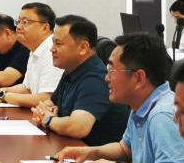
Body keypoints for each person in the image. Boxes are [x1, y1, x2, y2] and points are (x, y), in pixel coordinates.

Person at [54, 33, 184, 163]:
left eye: (112, 71)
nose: (106, 78)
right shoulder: (142, 104)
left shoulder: (163, 115)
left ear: (138, 78)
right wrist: (89, 152)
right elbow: (125, 150)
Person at [30, 15, 129, 145]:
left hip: (96, 154)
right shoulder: (71, 69)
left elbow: (77, 127)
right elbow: (50, 103)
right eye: (53, 42)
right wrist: (46, 111)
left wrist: (49, 120)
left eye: (58, 43)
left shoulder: (96, 79)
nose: (52, 49)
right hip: (70, 147)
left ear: (83, 48)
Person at [0, 3, 63, 107]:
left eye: (25, 22)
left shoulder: (52, 50)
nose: (19, 27)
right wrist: (1, 90)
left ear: (44, 28)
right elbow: (27, 88)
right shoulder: (34, 49)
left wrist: (3, 95)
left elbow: (47, 99)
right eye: (19, 21)